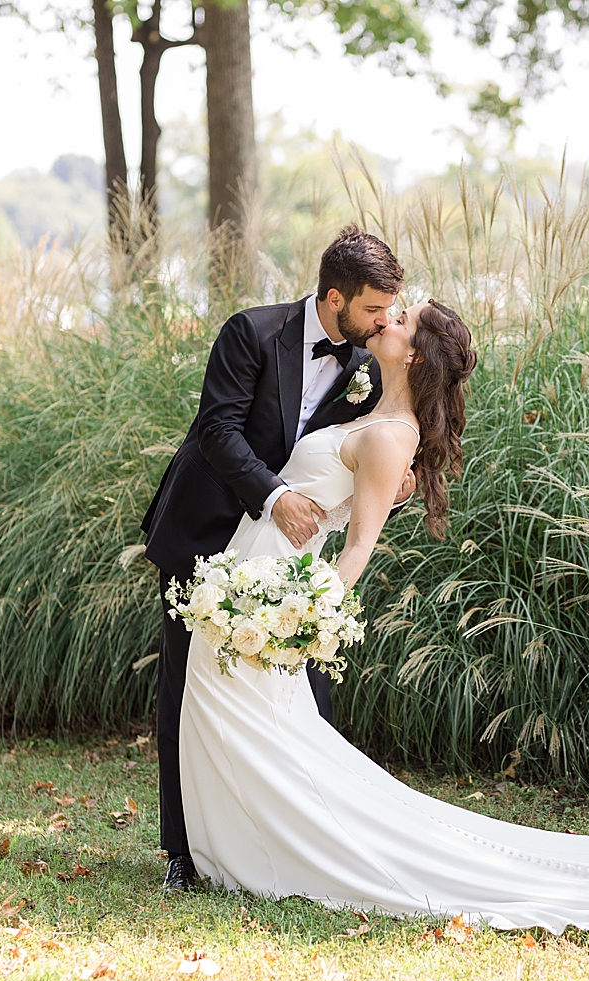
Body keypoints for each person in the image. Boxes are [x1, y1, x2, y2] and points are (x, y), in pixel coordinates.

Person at [173, 298, 589, 932]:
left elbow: (358, 551)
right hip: (251, 576)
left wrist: (306, 619)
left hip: (278, 600)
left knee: (259, 724)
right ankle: (233, 849)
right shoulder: (369, 410)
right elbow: (340, 501)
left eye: (402, 319)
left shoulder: (388, 435)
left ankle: (272, 852)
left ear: (416, 355)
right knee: (237, 720)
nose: (389, 319)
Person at [140, 225, 414, 893]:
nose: (386, 321)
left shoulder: (363, 360)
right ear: (333, 297)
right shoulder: (252, 332)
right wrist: (275, 495)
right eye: (374, 309)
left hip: (287, 561)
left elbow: (371, 459)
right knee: (188, 693)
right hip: (207, 533)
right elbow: (217, 429)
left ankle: (299, 840)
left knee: (300, 694)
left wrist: (397, 494)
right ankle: (184, 851)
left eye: (391, 310)